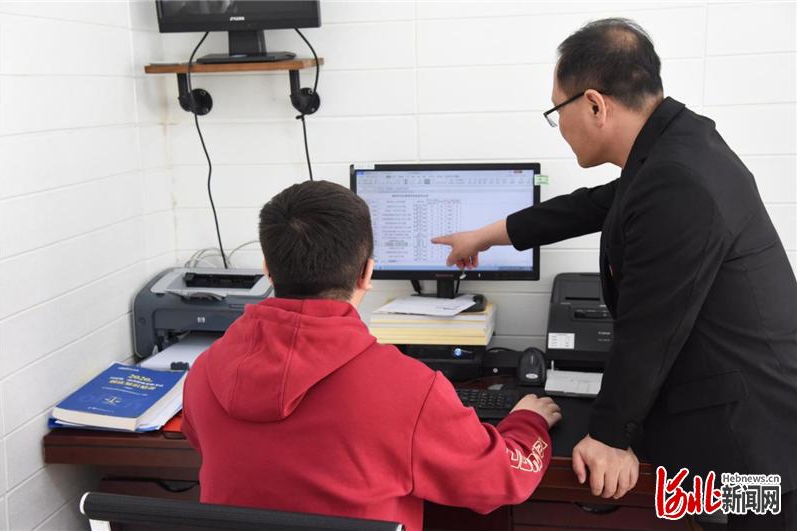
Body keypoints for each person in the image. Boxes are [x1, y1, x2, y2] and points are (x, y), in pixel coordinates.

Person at [432, 18, 797, 529]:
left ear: (594, 105)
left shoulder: (678, 180)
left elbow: (650, 327)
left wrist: (609, 436)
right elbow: (592, 205)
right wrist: (486, 236)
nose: (559, 125)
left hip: (749, 436)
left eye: (556, 110)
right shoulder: (675, 146)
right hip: (741, 407)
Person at [181, 180, 563, 531]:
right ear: (367, 273)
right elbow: (502, 480)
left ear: (267, 269)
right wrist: (528, 422)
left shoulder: (204, 371)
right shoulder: (409, 388)